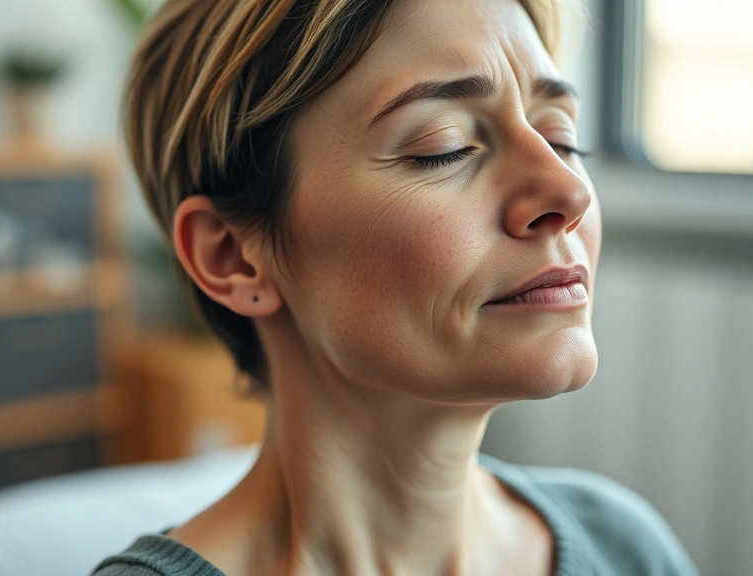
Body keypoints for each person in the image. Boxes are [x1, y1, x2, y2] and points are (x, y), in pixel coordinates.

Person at [94, 0, 699, 574]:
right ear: (233, 258)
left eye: (562, 138)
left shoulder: (625, 549)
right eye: (445, 147)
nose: (569, 192)